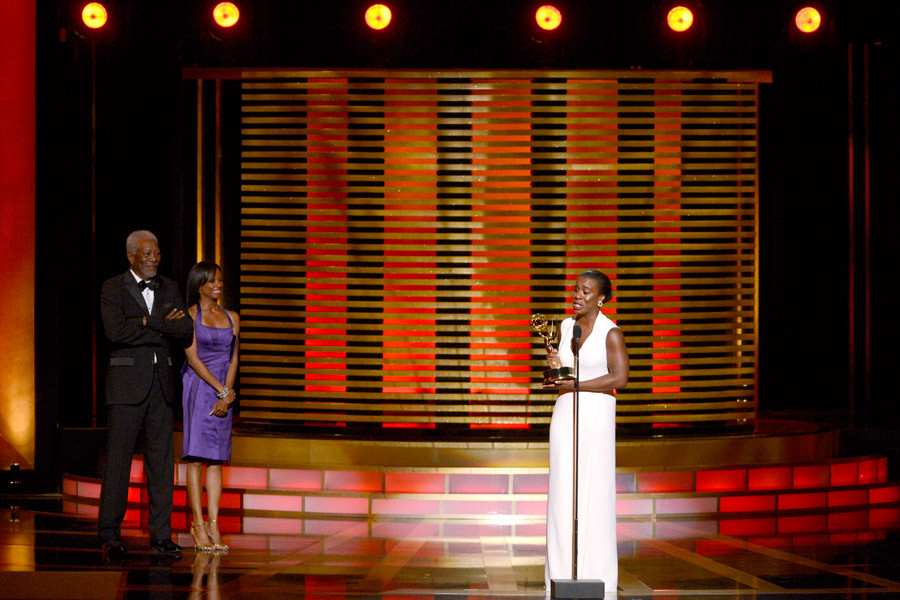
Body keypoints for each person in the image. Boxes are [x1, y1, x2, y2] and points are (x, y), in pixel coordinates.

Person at [98, 230, 194, 558]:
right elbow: (114, 331)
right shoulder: (113, 287)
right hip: (126, 386)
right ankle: (110, 532)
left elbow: (184, 329)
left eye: (157, 253)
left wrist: (142, 323)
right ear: (131, 257)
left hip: (161, 384)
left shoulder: (170, 287)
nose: (154, 258)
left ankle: (161, 536)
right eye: (147, 254)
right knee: (118, 460)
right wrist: (157, 323)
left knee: (161, 463)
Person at [544, 270, 629, 597]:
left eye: (586, 291)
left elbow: (620, 378)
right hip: (566, 414)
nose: (577, 295)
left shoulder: (611, 333)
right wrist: (553, 365)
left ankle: (599, 583)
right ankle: (559, 581)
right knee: (563, 496)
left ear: (602, 298)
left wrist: (576, 384)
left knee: (594, 495)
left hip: (597, 415)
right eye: (576, 289)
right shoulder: (566, 328)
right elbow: (562, 375)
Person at [181, 261, 239, 552]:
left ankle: (214, 522)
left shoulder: (233, 317)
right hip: (199, 387)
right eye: (213, 281)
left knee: (216, 459)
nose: (219, 285)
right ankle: (197, 523)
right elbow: (192, 359)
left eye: (220, 279)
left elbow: (233, 358)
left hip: (222, 390)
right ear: (199, 284)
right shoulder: (190, 316)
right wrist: (221, 390)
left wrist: (226, 396)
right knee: (196, 458)